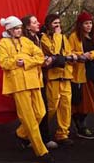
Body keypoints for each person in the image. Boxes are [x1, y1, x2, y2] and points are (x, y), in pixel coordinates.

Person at [0, 15, 54, 163]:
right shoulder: (3, 43)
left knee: (41, 113)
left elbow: (40, 56)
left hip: (34, 82)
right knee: (28, 118)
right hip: (18, 85)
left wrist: (25, 61)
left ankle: (20, 134)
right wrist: (18, 60)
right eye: (15, 29)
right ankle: (41, 151)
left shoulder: (26, 41)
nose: (18, 31)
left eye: (19, 28)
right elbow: (4, 63)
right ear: (9, 30)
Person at [40, 13, 78, 146]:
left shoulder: (63, 37)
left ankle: (62, 134)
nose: (58, 26)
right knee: (51, 107)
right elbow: (53, 52)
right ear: (48, 25)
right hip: (53, 77)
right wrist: (57, 36)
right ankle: (36, 131)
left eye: (59, 23)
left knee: (65, 107)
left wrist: (72, 57)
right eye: (55, 23)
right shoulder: (44, 38)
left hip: (65, 76)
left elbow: (66, 53)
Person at [21, 14, 58, 150]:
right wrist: (43, 61)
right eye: (35, 22)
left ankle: (43, 138)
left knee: (42, 109)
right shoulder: (24, 40)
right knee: (34, 111)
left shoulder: (37, 37)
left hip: (39, 78)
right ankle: (28, 137)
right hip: (30, 80)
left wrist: (46, 59)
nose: (38, 24)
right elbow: (28, 59)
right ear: (27, 26)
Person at [68, 11, 94, 140]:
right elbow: (69, 51)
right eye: (86, 23)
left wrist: (91, 55)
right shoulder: (74, 37)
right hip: (79, 73)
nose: (89, 26)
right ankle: (80, 125)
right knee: (80, 100)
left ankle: (81, 122)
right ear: (80, 25)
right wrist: (80, 55)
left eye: (90, 23)